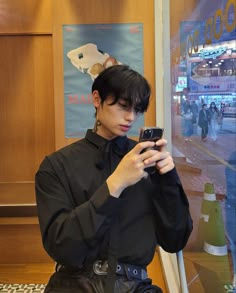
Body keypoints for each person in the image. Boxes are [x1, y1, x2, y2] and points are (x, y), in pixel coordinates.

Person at [35, 65, 193, 293]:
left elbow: (175, 240)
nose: (131, 117)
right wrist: (115, 184)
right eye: (122, 106)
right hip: (73, 284)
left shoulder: (147, 163)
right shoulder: (57, 166)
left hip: (136, 286)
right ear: (96, 99)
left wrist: (168, 180)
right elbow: (62, 247)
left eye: (137, 109)